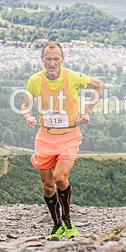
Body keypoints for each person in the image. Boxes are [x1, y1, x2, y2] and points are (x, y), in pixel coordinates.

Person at [21, 41, 104, 241]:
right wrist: (28, 117)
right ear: (42, 60)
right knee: (48, 186)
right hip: (45, 136)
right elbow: (25, 105)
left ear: (62, 59)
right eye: (48, 59)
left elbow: (99, 85)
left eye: (56, 59)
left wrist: (87, 111)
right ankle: (57, 225)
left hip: (69, 135)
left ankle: (67, 219)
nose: (52, 63)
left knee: (60, 177)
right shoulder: (35, 80)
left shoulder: (72, 77)